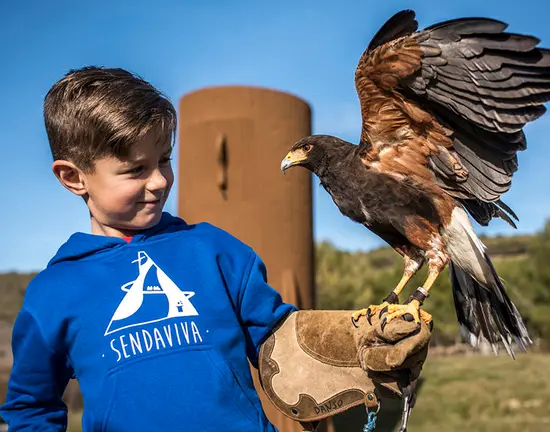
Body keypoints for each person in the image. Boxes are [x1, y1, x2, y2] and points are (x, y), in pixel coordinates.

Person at [0, 66, 430, 431]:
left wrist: (353, 344)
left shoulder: (214, 251)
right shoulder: (53, 293)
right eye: (135, 170)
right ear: (74, 178)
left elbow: (281, 343)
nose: (159, 181)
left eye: (164, 160)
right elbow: (30, 407)